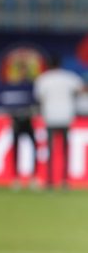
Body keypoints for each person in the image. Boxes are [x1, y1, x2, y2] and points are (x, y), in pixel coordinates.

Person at [33, 55, 85, 188]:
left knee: (50, 149)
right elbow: (81, 89)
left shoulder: (43, 79)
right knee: (65, 150)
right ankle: (64, 180)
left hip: (50, 117)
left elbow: (39, 97)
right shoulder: (68, 77)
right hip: (66, 116)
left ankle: (50, 180)